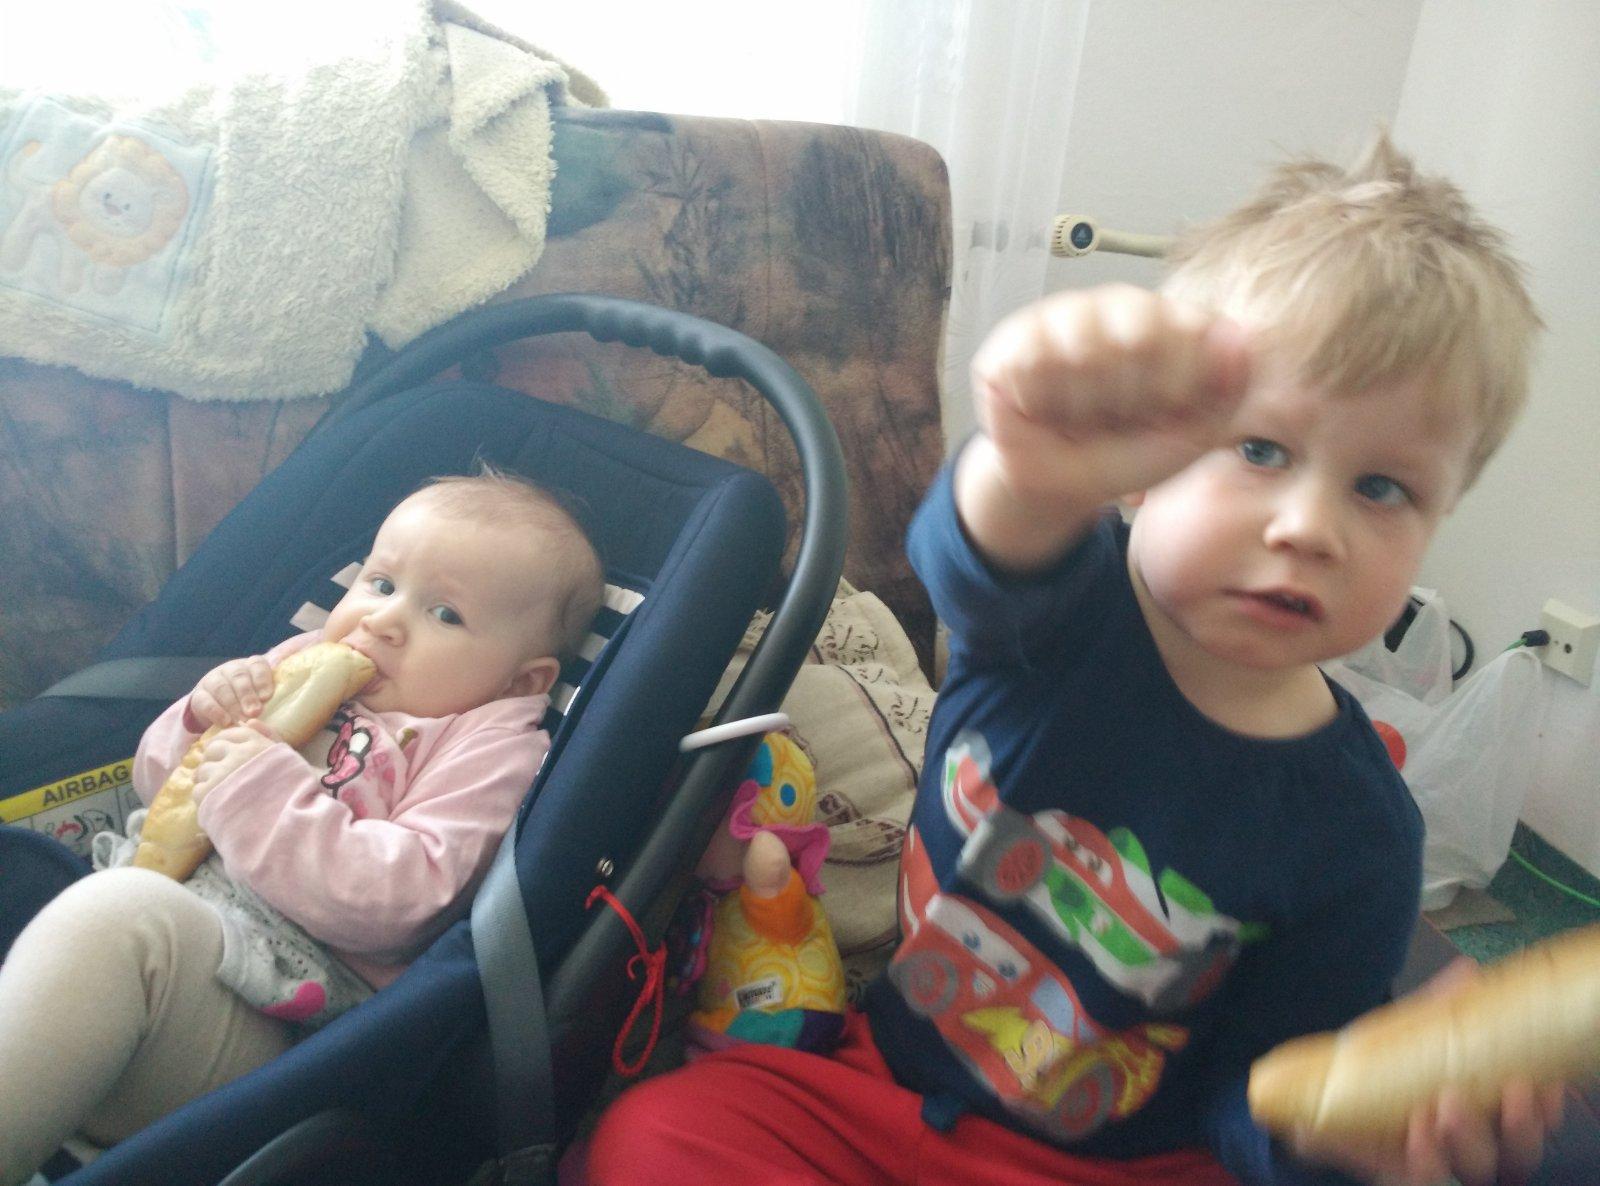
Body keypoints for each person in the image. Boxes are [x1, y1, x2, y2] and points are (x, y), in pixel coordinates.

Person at [584, 135, 1562, 1186]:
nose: (1308, 527)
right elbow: (970, 553)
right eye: (1260, 450)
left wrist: (1329, 1131)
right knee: (652, 1137)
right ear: (1139, 464)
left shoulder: (1362, 836)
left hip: (1122, 1164)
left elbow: (1253, 1089)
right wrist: (1028, 462)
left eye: (1382, 488)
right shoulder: (1059, 612)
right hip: (887, 1081)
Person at [0, 467, 604, 1186]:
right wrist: (199, 717)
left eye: (445, 614)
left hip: (273, 1018)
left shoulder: (489, 746)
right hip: (155, 948)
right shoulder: (296, 660)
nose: (382, 620)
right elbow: (158, 788)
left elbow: (399, 901)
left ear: (521, 681)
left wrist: (257, 785)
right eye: (381, 582)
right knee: (22, 876)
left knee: (120, 915)